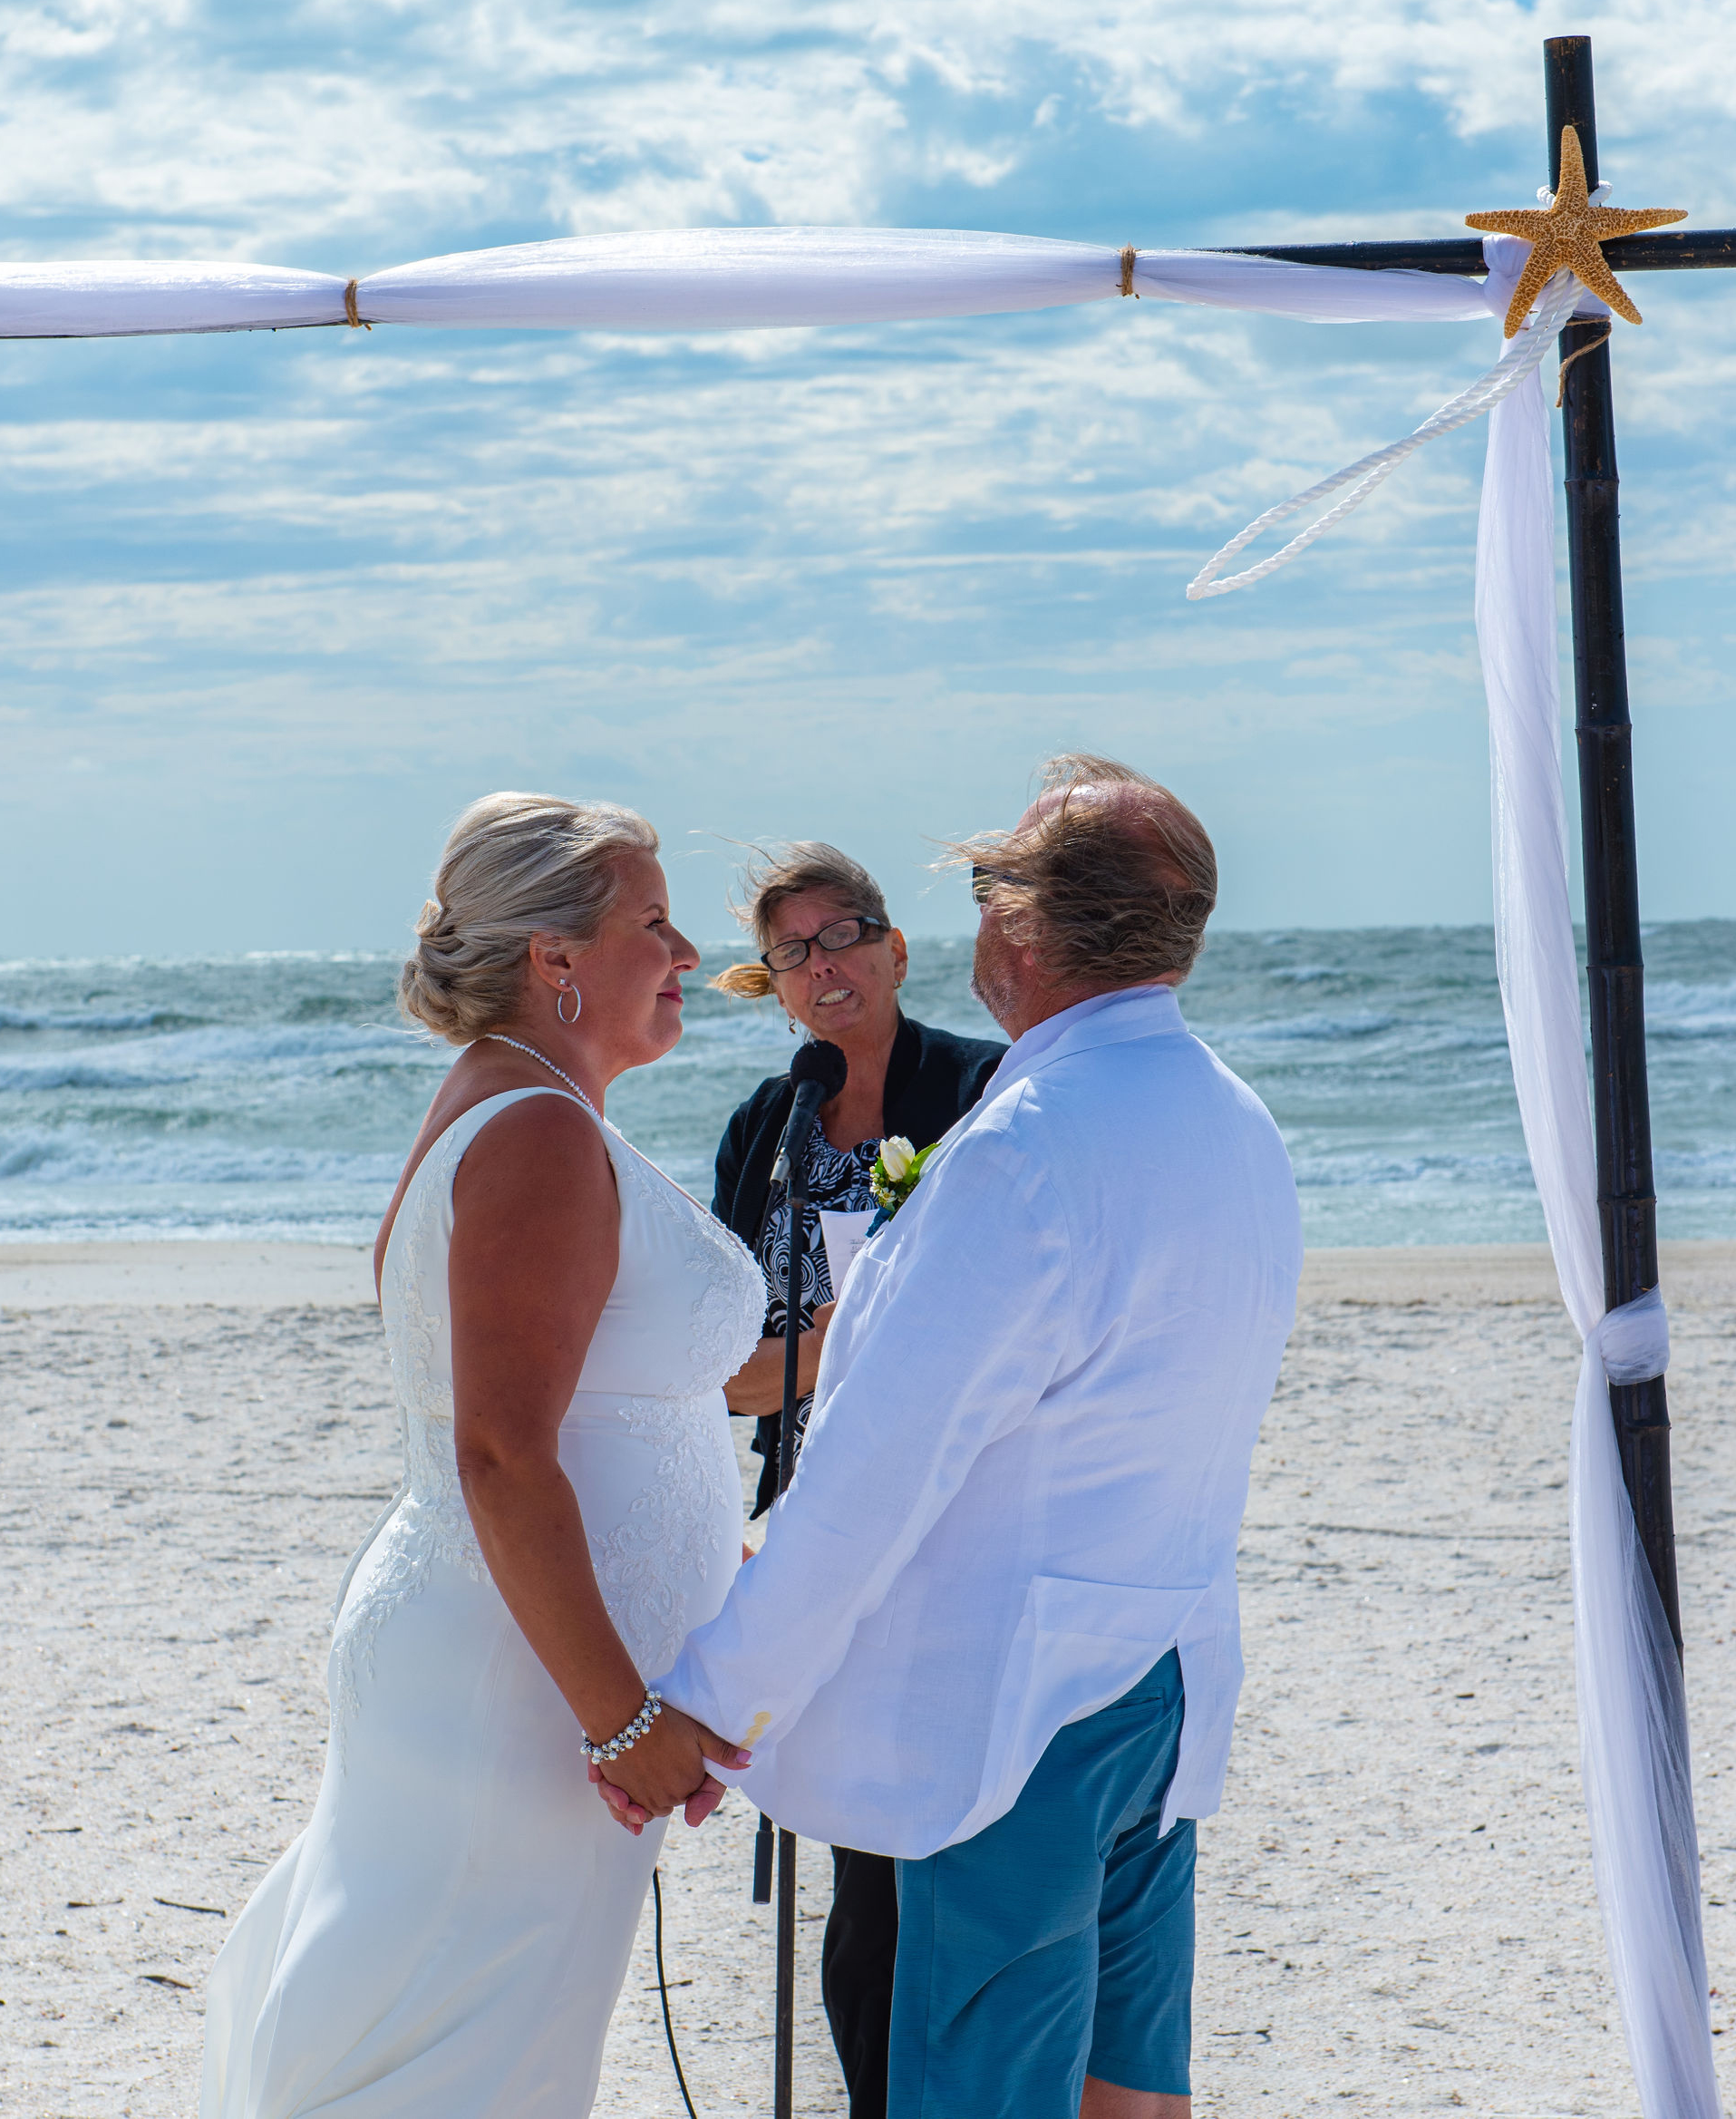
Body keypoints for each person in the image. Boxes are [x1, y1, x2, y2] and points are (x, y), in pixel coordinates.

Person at [618, 754, 1304, 2119]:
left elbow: (875, 1476)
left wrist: (707, 1704)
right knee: (1128, 2097)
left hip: (1022, 1721)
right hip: (1159, 1680)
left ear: (1019, 928)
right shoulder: (1237, 1120)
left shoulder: (1023, 1152)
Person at [200, 792, 762, 2119]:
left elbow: (647, 1385)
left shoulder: (532, 1111)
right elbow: (503, 1452)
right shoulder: (537, 1136)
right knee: (459, 2054)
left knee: (468, 2037)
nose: (685, 955)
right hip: (526, 1692)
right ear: (555, 960)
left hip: (517, 1671)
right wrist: (620, 1719)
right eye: (653, 924)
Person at [704, 843, 1004, 2118]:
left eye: (848, 934)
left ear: (894, 949)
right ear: (772, 988)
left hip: (969, 1519)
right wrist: (844, 1340)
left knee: (968, 1871)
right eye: (795, 952)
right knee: (865, 1876)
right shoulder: (764, 1131)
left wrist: (846, 1341)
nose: (826, 966)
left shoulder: (987, 1090)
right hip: (820, 1529)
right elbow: (724, 1371)